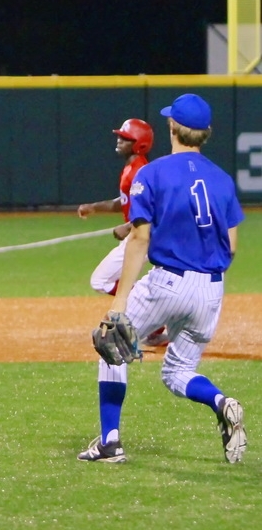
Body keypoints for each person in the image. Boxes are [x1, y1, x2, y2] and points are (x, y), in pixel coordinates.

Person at [77, 93, 246, 464]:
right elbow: (231, 247)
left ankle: (110, 443)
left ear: (172, 127)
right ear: (206, 134)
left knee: (111, 345)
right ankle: (221, 402)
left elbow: (140, 237)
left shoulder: (152, 173)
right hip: (212, 289)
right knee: (179, 372)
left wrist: (119, 301)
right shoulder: (222, 180)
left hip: (167, 281)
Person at [77, 118, 167, 347]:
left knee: (101, 279)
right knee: (108, 280)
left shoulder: (142, 170)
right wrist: (95, 207)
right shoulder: (131, 168)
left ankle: (152, 313)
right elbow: (125, 201)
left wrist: (128, 226)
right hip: (139, 233)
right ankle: (156, 326)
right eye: (120, 136)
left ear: (140, 144)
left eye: (126, 138)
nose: (119, 140)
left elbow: (157, 205)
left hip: (143, 234)